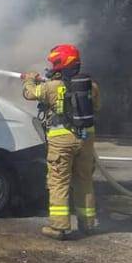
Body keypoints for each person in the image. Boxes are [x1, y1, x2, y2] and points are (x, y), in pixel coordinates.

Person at [21, 44, 100, 240]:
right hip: (86, 139)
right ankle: (88, 224)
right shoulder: (91, 85)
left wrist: (29, 79)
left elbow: (29, 93)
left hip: (62, 141)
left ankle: (59, 227)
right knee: (84, 180)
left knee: (59, 182)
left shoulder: (50, 87)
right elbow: (97, 106)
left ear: (60, 63)